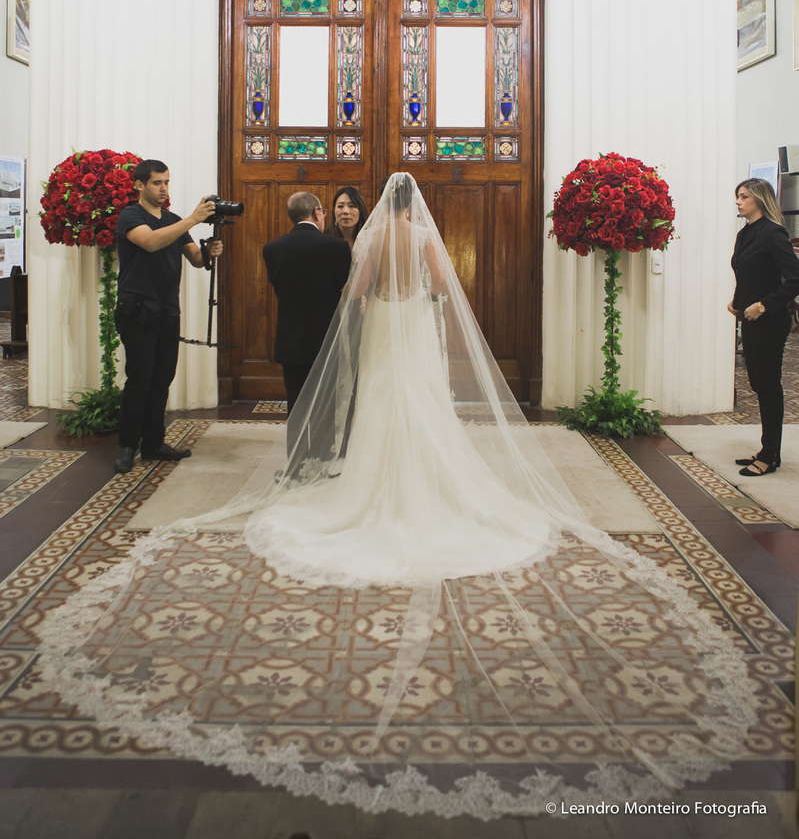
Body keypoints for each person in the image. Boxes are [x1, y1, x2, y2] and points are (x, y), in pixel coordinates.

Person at [43, 175, 755, 817]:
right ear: (422, 209)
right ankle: (436, 489)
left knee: (380, 410)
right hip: (415, 331)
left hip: (383, 330)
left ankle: (365, 486)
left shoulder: (376, 238)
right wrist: (420, 307)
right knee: (423, 414)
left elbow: (354, 297)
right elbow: (445, 292)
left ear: (381, 206)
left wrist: (365, 305)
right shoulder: (421, 238)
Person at [113, 160, 223, 474]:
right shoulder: (130, 216)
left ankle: (153, 444)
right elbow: (149, 242)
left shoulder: (174, 220)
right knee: (140, 380)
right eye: (157, 183)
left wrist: (211, 251)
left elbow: (197, 260)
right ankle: (127, 446)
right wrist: (192, 219)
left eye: (166, 183)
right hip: (137, 311)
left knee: (162, 380)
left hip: (167, 311)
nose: (163, 189)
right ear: (139, 185)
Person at [262, 192, 351, 443]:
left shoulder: (272, 249)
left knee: (296, 403)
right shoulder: (336, 247)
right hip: (326, 338)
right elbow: (345, 289)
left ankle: (297, 463)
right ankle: (321, 459)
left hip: (291, 339)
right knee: (325, 404)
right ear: (316, 213)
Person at [728, 177, 799, 476]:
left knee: (768, 386)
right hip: (750, 317)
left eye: (743, 196)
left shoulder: (773, 233)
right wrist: (737, 302)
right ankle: (767, 449)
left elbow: (795, 279)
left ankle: (769, 455)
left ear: (759, 198)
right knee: (757, 383)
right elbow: (745, 274)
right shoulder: (745, 234)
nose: (738, 201)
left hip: (770, 320)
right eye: (737, 196)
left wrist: (764, 305)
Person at [326, 184, 369, 250]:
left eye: (351, 206)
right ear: (334, 211)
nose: (345, 211)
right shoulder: (324, 238)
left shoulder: (370, 239)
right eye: (340, 206)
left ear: (361, 210)